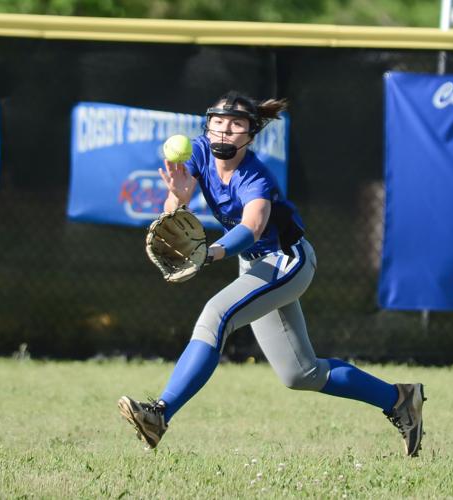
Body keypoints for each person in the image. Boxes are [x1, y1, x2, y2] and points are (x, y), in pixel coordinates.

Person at [118, 91, 426, 456]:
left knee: (216, 316)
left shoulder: (255, 176)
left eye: (236, 126)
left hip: (287, 261)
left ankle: (160, 414)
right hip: (255, 264)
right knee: (301, 373)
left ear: (250, 134)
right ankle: (400, 399)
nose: (223, 132)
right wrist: (178, 200)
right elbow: (175, 206)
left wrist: (213, 252)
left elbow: (252, 225)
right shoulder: (199, 151)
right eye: (218, 123)